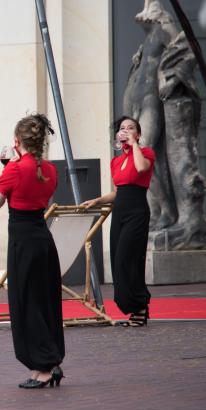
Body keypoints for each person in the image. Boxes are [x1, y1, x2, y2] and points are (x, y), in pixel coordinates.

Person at [0, 113, 64, 389]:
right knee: (44, 301)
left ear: (17, 141)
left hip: (22, 239)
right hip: (43, 237)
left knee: (26, 303)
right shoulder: (51, 170)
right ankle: (47, 363)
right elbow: (43, 196)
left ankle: (43, 367)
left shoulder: (14, 169)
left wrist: (7, 172)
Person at [82, 116, 155, 326]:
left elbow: (141, 169)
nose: (125, 131)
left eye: (131, 128)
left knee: (128, 258)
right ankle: (135, 310)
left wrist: (134, 145)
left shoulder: (146, 153)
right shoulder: (116, 161)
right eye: (122, 128)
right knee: (118, 261)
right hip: (120, 212)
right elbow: (117, 192)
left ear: (138, 134)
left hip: (137, 212)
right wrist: (97, 200)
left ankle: (140, 305)